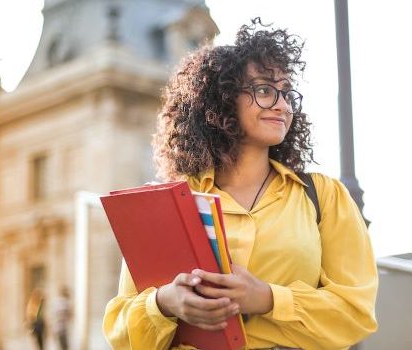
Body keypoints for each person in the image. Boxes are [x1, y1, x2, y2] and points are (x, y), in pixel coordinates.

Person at [103, 18, 378, 349]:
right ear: (222, 99)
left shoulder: (323, 196)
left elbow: (356, 312)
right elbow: (120, 330)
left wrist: (267, 298)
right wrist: (164, 303)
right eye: (264, 89)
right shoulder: (169, 205)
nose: (282, 104)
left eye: (287, 93)